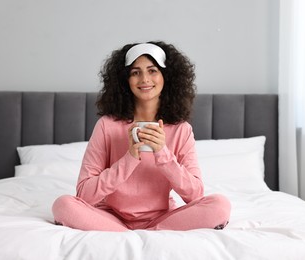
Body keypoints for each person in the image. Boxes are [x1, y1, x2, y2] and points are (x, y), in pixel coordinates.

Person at [52, 41, 231, 231]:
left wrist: (163, 153)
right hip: (110, 217)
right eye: (135, 72)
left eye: (152, 70)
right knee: (63, 205)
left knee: (219, 206)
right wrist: (129, 158)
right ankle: (133, 235)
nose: (144, 79)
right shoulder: (106, 125)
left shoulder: (181, 130)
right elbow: (84, 195)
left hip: (162, 219)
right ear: (125, 80)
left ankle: (140, 235)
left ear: (166, 76)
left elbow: (195, 195)